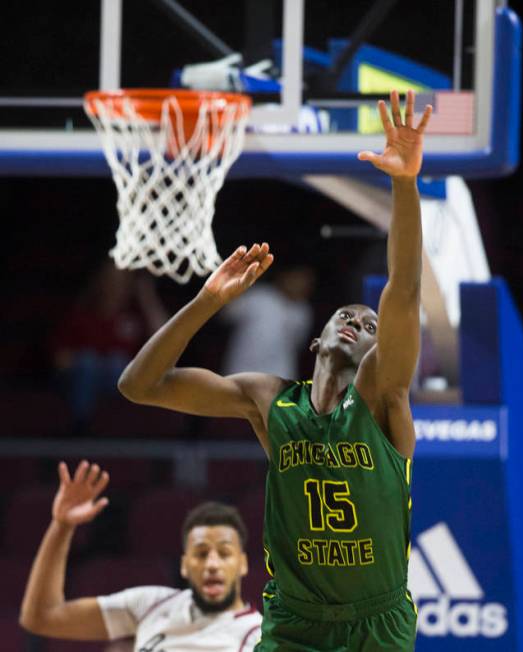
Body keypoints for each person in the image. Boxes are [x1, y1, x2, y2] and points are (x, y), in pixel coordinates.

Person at [116, 89, 431, 651]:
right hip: (295, 621)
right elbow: (138, 386)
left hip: (376, 624)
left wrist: (404, 186)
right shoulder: (269, 399)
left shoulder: (384, 398)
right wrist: (208, 301)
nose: (360, 322)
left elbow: (403, 292)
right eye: (347, 315)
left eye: (371, 325)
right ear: (316, 337)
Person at [19, 460, 262, 650]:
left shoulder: (260, 636)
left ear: (242, 563)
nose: (212, 564)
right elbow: (42, 617)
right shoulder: (151, 604)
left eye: (224, 553)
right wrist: (61, 527)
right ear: (184, 565)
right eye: (200, 554)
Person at [51, 263, 167, 432]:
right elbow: (59, 359)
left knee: (119, 364)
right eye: (111, 280)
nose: (115, 286)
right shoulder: (82, 315)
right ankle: (81, 427)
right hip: (84, 380)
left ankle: (124, 427)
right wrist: (91, 364)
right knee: (88, 362)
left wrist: (147, 297)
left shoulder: (134, 316)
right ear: (100, 282)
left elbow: (167, 342)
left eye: (122, 281)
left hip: (122, 381)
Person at [222, 265, 316, 380]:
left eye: (305, 282)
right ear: (285, 277)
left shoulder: (303, 312)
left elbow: (298, 345)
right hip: (241, 371)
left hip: (279, 376)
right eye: (296, 279)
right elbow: (226, 313)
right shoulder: (259, 296)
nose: (300, 285)